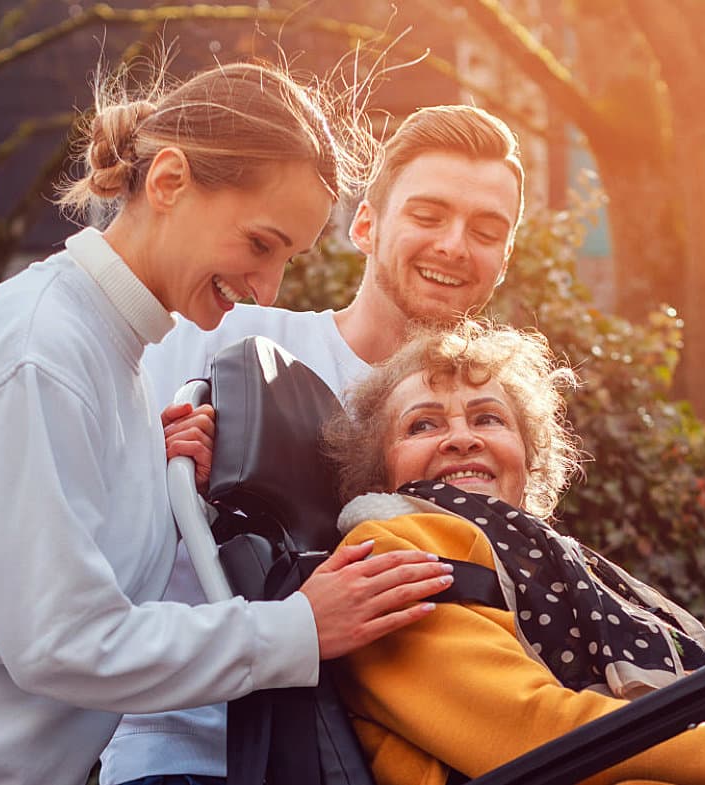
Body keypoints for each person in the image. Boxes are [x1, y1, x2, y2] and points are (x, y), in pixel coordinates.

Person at [0, 63, 458, 785]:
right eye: (261, 244)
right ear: (168, 182)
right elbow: (63, 640)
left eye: (287, 259)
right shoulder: (42, 347)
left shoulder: (126, 368)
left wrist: (153, 476)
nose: (267, 288)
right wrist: (299, 626)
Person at [101, 105, 528, 785]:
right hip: (195, 750)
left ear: (502, 261)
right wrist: (153, 465)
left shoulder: (482, 429)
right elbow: (81, 514)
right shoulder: (220, 334)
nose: (454, 244)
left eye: (485, 230)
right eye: (428, 214)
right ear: (365, 225)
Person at [321, 320, 705, 785]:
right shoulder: (390, 549)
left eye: (487, 419)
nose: (462, 438)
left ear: (526, 459)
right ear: (379, 469)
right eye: (423, 424)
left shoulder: (550, 560)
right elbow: (534, 731)